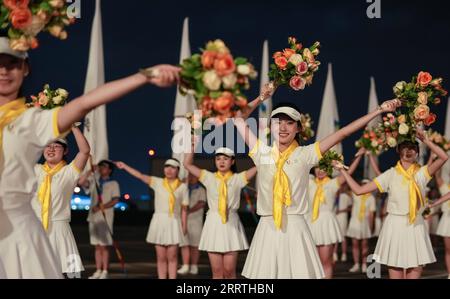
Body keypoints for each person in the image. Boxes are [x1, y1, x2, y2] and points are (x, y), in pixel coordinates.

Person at [0, 34, 180, 278]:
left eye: (12, 64)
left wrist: (143, 76)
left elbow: (85, 103)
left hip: (18, 234)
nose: (4, 71)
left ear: (25, 68)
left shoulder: (33, 120)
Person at [232, 82, 400, 278]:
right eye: (278, 122)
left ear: (298, 128)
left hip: (295, 228)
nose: (283, 127)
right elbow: (238, 118)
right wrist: (262, 98)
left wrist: (378, 110)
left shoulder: (306, 154)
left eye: (289, 122)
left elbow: (343, 132)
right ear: (271, 126)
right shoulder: (262, 152)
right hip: (267, 229)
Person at [333, 128, 448, 279]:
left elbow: (443, 157)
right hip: (394, 226)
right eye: (404, 147)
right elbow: (359, 190)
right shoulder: (390, 174)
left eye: (413, 148)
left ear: (418, 152)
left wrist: (425, 140)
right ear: (398, 151)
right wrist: (343, 171)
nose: (408, 151)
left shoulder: (422, 173)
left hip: (416, 226)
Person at [184, 146, 256, 279]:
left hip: (231, 223)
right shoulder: (208, 177)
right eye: (218, 159)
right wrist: (193, 146)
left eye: (225, 159)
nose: (221, 161)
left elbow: (259, 166)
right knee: (216, 272)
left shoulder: (238, 178)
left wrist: (262, 151)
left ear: (232, 161)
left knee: (229, 271)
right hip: (214, 223)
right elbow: (187, 164)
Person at [32, 126, 90, 277]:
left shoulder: (69, 172)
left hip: (58, 228)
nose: (51, 149)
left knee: (63, 273)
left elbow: (84, 151)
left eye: (56, 146)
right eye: (48, 145)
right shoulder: (34, 169)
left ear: (65, 151)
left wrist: (72, 126)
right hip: (34, 228)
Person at [115, 159, 188, 279]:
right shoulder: (157, 182)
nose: (169, 170)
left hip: (174, 222)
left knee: (173, 257)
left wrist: (184, 226)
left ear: (178, 170)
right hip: (159, 221)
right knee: (160, 257)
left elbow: (184, 209)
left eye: (173, 167)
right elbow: (140, 176)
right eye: (167, 166)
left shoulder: (183, 187)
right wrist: (125, 166)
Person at [306, 148, 365, 278]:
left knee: (326, 262)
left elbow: (348, 172)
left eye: (323, 168)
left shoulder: (333, 184)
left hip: (326, 224)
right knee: (311, 263)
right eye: (317, 168)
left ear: (328, 170)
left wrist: (358, 156)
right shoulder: (309, 183)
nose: (320, 170)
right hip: (310, 224)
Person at [79, 160, 120, 279]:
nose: (101, 169)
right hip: (93, 218)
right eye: (100, 167)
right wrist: (89, 171)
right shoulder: (94, 181)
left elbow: (115, 200)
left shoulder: (113, 183)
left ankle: (105, 271)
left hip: (105, 218)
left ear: (110, 170)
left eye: (104, 167)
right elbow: (81, 182)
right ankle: (98, 270)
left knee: (104, 246)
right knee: (96, 245)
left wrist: (101, 207)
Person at [177, 173, 207, 275]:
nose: (191, 178)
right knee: (184, 244)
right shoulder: (184, 189)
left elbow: (201, 203)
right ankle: (185, 265)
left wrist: (188, 210)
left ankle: (194, 266)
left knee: (194, 245)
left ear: (198, 177)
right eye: (189, 176)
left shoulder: (201, 189)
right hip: (182, 220)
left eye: (193, 176)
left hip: (196, 221)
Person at [346, 179, 376, 273]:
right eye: (363, 184)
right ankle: (356, 264)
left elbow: (371, 214)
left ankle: (364, 264)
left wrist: (371, 227)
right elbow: (347, 187)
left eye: (366, 184)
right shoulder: (355, 194)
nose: (364, 185)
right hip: (355, 222)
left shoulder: (371, 198)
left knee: (364, 245)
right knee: (354, 244)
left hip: (365, 223)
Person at [431, 168, 450, 279]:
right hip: (447, 221)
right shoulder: (445, 188)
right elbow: (437, 177)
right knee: (448, 250)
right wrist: (438, 161)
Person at [333, 183, 352, 262]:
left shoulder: (347, 196)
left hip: (342, 217)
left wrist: (341, 210)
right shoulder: (334, 196)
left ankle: (344, 254)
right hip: (334, 217)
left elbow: (350, 208)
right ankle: (334, 253)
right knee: (335, 236)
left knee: (343, 236)